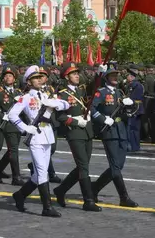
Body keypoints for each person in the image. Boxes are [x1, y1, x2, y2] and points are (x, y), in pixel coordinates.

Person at [9, 65, 69, 217]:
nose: (39, 79)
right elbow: (12, 115)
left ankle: (20, 195)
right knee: (43, 173)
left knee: (37, 175)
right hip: (35, 136)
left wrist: (56, 104)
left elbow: (66, 104)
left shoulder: (46, 95)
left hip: (47, 134)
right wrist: (24, 128)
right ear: (28, 82)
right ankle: (46, 207)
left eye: (40, 77)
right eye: (35, 78)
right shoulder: (26, 98)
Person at [53, 62, 100, 212]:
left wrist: (100, 74)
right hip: (75, 132)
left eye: (77, 73)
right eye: (73, 74)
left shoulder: (81, 90)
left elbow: (94, 87)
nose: (77, 76)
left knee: (82, 165)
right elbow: (59, 116)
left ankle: (60, 190)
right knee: (83, 166)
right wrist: (74, 121)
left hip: (87, 130)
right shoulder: (62, 94)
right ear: (67, 77)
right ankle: (88, 200)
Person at [89, 68, 138, 208]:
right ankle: (124, 197)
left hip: (120, 129)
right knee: (115, 166)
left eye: (117, 75)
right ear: (106, 77)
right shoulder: (101, 92)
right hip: (109, 130)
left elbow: (128, 111)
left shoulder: (120, 92)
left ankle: (95, 187)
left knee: (119, 165)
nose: (116, 77)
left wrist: (131, 104)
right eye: (112, 75)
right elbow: (91, 108)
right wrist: (103, 119)